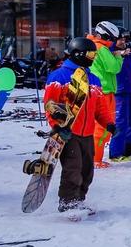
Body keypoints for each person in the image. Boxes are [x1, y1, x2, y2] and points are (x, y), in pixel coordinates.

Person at [43, 37, 115, 214]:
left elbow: (99, 107)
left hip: (87, 132)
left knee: (87, 170)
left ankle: (79, 200)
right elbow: (50, 104)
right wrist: (57, 126)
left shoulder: (94, 78)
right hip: (68, 132)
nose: (93, 58)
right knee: (73, 169)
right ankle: (68, 203)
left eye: (95, 54)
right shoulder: (60, 76)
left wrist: (108, 123)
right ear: (78, 54)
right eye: (91, 54)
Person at [88, 21, 124, 169]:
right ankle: (96, 159)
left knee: (94, 126)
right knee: (103, 127)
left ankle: (92, 157)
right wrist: (118, 56)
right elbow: (114, 68)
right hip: (105, 92)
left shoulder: (90, 45)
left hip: (96, 90)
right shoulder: (101, 48)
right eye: (111, 39)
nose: (112, 42)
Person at [110, 30, 131, 160]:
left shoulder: (129, 51)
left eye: (125, 39)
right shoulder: (110, 52)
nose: (123, 42)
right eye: (120, 39)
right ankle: (116, 153)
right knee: (120, 122)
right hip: (119, 92)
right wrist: (119, 53)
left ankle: (129, 150)